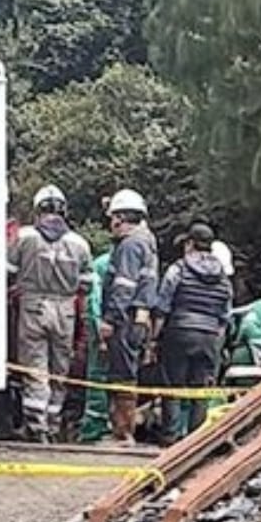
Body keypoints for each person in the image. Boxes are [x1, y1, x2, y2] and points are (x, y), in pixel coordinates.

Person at [7, 185, 93, 441]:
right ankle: (54, 425)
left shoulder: (25, 238)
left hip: (33, 308)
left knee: (35, 368)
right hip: (65, 311)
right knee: (59, 371)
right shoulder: (79, 244)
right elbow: (86, 286)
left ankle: (36, 426)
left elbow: (8, 273)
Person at [152, 222, 233, 443]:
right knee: (202, 390)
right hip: (209, 336)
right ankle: (197, 440)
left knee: (173, 387)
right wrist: (217, 342)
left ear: (189, 243)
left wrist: (154, 337)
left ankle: (170, 437)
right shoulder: (224, 277)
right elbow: (225, 315)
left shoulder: (178, 269)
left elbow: (162, 306)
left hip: (179, 331)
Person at [100, 188, 160, 444]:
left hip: (125, 319)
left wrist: (110, 319)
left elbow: (124, 287)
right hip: (141, 318)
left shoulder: (130, 245)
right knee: (129, 372)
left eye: (113, 218)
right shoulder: (148, 242)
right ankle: (125, 429)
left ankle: (122, 432)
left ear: (120, 218)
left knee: (121, 374)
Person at [78, 245, 114, 442]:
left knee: (97, 376)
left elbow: (93, 299)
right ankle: (117, 425)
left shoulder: (101, 263)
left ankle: (94, 427)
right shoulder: (141, 261)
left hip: (102, 328)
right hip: (125, 328)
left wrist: (96, 326)